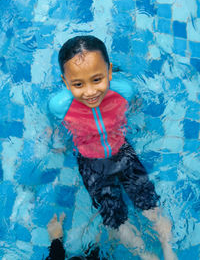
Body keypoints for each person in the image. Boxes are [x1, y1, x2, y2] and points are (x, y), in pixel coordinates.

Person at [49, 35, 177, 260]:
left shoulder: (124, 91)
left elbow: (134, 107)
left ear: (109, 72)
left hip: (124, 153)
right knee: (115, 219)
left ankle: (168, 250)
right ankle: (147, 256)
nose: (89, 92)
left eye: (97, 79)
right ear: (65, 82)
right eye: (78, 84)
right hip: (91, 163)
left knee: (150, 207)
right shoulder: (60, 106)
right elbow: (60, 129)